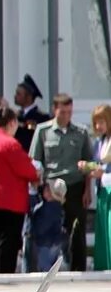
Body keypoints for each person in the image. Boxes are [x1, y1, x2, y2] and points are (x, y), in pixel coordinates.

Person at [29, 93, 91, 269]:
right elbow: (34, 162)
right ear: (54, 110)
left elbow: (91, 164)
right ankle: (46, 268)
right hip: (51, 189)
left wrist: (87, 190)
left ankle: (79, 269)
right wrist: (40, 188)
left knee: (77, 231)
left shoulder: (81, 132)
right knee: (48, 230)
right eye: (62, 112)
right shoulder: (42, 131)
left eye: (69, 112)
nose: (66, 116)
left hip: (75, 187)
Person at [0, 107, 40, 274]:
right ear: (12, 123)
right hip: (8, 199)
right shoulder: (9, 143)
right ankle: (3, 274)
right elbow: (27, 169)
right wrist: (36, 175)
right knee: (7, 240)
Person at [90, 104, 111, 272]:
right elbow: (98, 163)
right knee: (103, 232)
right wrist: (88, 167)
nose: (98, 126)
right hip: (102, 191)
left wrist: (102, 174)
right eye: (96, 123)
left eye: (102, 122)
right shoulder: (99, 141)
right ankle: (103, 268)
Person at [5, 75, 50, 154]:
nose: (15, 96)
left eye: (19, 94)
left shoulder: (40, 117)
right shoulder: (16, 115)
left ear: (28, 97)